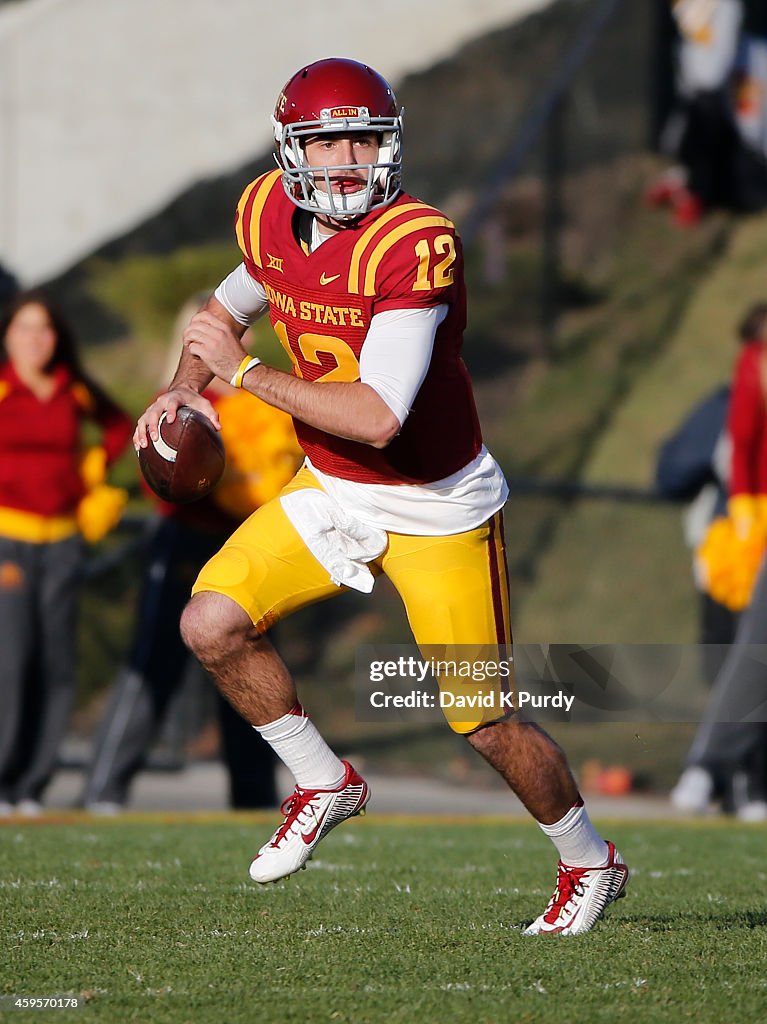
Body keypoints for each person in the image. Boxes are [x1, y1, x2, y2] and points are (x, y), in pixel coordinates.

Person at [134, 58, 629, 935]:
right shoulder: (267, 213)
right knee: (208, 622)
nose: (349, 159)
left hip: (438, 506)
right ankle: (325, 781)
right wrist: (184, 388)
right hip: (333, 490)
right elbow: (228, 305)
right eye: (329, 140)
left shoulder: (414, 241)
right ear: (293, 150)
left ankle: (590, 861)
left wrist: (243, 375)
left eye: (365, 138)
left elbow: (376, 416)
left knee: (482, 721)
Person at [82, 297, 302, 814]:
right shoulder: (176, 407)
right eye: (218, 334)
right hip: (189, 542)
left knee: (252, 669)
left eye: (241, 331)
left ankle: (253, 799)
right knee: (153, 662)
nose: (236, 342)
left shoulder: (266, 400)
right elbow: (167, 486)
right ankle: (103, 791)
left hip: (255, 546)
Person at [0, 291, 133, 816]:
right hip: (7, 541)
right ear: (8, 335)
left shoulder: (71, 389)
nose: (36, 339)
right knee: (11, 660)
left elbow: (121, 426)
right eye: (26, 328)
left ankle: (32, 785)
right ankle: (3, 778)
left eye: (46, 329)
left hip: (62, 541)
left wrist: (94, 472)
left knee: (55, 662)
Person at [671, 302, 767, 819]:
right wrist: (749, 516)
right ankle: (723, 774)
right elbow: (742, 452)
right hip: (747, 531)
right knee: (749, 654)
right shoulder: (748, 375)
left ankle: (719, 772)